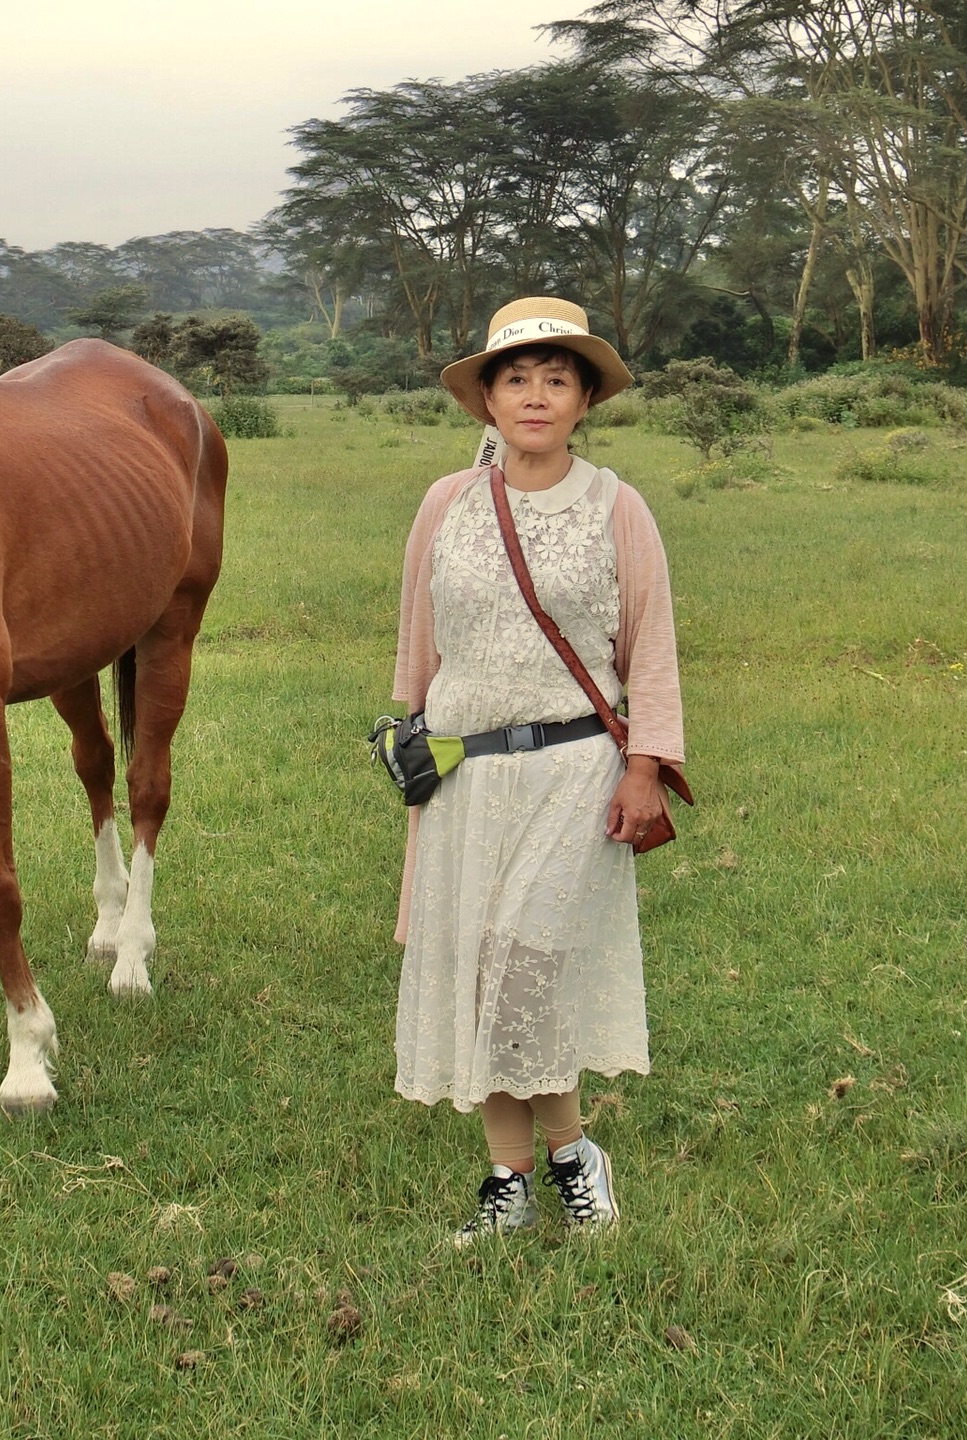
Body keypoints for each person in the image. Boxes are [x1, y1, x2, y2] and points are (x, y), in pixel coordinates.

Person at [390, 296, 685, 1242]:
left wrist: (646, 767)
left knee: (524, 965)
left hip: (573, 772)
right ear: (485, 398)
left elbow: (652, 649)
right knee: (480, 969)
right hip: (466, 776)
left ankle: (570, 1155)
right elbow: (419, 643)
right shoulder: (447, 503)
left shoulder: (615, 506)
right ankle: (511, 1178)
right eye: (515, 377)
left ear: (585, 399)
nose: (535, 395)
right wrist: (407, 741)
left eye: (557, 378)